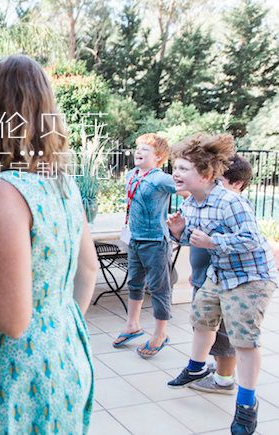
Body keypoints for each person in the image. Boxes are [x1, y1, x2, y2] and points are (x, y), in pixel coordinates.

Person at [0, 55, 98, 434]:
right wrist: (52, 328)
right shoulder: (62, 182)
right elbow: (87, 269)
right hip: (62, 359)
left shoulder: (4, 190)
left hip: (13, 376)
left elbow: (11, 320)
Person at [166, 135, 277, 435]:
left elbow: (253, 240)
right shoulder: (191, 205)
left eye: (183, 168)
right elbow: (192, 238)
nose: (176, 173)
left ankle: (246, 404)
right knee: (201, 317)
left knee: (244, 340)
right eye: (175, 167)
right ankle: (196, 367)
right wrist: (179, 232)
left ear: (203, 175)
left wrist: (215, 241)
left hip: (251, 277)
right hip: (221, 273)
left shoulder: (231, 201)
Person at [186, 154, 252, 395]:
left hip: (224, 281)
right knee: (206, 327)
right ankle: (217, 368)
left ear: (237, 184)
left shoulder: (233, 206)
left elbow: (246, 242)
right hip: (205, 277)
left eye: (219, 180)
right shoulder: (208, 204)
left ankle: (224, 379)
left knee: (223, 333)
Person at [112, 133, 178, 358]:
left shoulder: (161, 178)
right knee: (134, 284)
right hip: (135, 239)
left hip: (155, 243)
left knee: (159, 289)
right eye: (138, 148)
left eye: (145, 150)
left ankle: (160, 334)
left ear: (159, 157)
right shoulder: (131, 174)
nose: (138, 152)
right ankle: (132, 325)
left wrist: (183, 219)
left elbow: (187, 190)